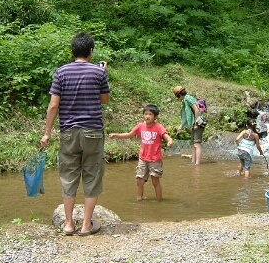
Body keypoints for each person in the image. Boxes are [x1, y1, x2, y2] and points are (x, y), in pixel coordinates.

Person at [40, 32, 110, 237]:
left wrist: (47, 133)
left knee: (69, 176)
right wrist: (103, 73)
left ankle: (69, 224)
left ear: (73, 51)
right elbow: (104, 100)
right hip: (93, 132)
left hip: (68, 131)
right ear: (91, 51)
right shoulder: (98, 73)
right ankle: (87, 226)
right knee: (92, 175)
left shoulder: (60, 72)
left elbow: (53, 106)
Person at [108, 104, 173, 200]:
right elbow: (129, 134)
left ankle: (159, 201)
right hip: (143, 158)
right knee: (139, 180)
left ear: (155, 117)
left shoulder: (159, 127)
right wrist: (116, 135)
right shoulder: (141, 126)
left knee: (155, 182)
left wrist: (170, 141)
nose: (147, 116)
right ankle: (139, 200)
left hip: (155, 159)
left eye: (150, 114)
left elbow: (166, 136)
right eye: (145, 114)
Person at [173, 86, 204, 165]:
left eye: (177, 97)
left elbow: (196, 110)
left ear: (179, 95)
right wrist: (181, 126)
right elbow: (187, 115)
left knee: (197, 143)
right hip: (194, 123)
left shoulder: (188, 99)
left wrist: (196, 123)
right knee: (193, 143)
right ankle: (193, 162)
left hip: (198, 123)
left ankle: (197, 164)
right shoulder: (185, 100)